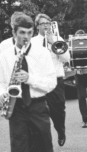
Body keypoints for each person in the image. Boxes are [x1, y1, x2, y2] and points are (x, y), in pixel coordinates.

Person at [0, 13, 56, 152]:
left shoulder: (42, 53)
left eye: (29, 33)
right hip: (17, 108)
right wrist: (2, 94)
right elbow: (1, 81)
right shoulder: (4, 56)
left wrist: (29, 78)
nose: (26, 37)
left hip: (38, 106)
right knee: (19, 148)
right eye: (22, 32)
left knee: (44, 147)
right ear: (14, 33)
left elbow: (51, 83)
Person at [31, 14, 70, 146]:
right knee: (41, 113)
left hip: (56, 81)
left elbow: (66, 59)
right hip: (40, 82)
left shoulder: (58, 39)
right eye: (43, 23)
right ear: (37, 26)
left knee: (58, 111)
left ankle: (60, 130)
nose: (46, 25)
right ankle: (45, 143)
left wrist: (54, 42)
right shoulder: (33, 42)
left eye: (48, 23)